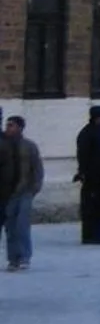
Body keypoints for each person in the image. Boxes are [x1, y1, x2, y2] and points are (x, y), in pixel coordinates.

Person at [2, 115, 45, 269]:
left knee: (22, 224)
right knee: (10, 226)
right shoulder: (4, 145)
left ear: (20, 128)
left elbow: (37, 167)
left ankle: (24, 256)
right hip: (8, 191)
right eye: (7, 125)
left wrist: (35, 186)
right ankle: (13, 258)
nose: (8, 128)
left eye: (11, 125)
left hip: (25, 189)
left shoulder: (28, 146)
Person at [75, 105, 100, 244]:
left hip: (97, 173)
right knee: (93, 206)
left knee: (96, 205)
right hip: (95, 174)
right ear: (97, 117)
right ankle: (92, 235)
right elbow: (86, 155)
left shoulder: (94, 131)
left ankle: (94, 234)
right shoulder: (91, 133)